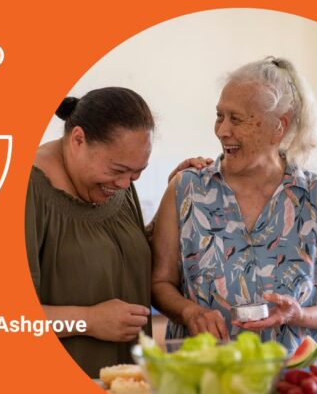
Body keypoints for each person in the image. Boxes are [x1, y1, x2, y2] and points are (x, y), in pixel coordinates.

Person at [151, 57, 317, 362]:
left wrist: (299, 315)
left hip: (296, 381)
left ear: (278, 127)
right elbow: (158, 283)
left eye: (237, 119)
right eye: (219, 116)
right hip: (203, 377)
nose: (222, 131)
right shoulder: (185, 189)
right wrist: (189, 311)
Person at [25, 87, 209, 377]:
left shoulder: (113, 186)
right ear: (78, 140)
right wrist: (88, 320)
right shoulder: (28, 191)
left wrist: (173, 197)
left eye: (137, 174)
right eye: (119, 170)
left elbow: (123, 257)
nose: (126, 183)